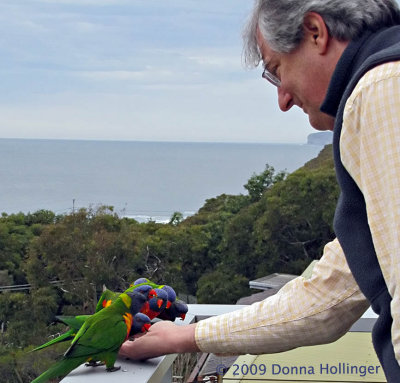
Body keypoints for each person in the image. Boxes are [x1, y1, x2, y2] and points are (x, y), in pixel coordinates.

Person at [119, 1, 400, 380]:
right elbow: (326, 299)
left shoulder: (383, 90)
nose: (283, 100)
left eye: (276, 71)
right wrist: (186, 336)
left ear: (316, 32)